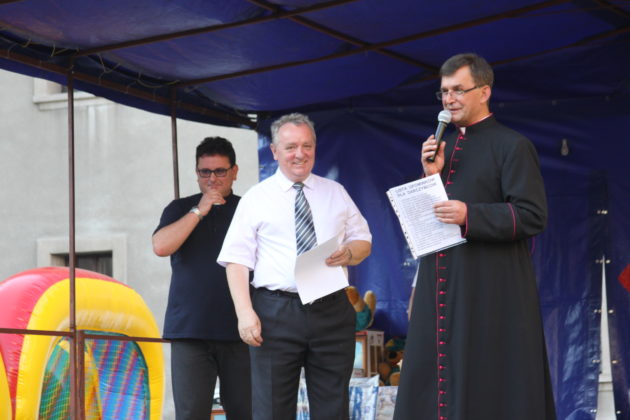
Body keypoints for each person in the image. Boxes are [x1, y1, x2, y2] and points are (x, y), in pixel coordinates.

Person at [394, 53, 556, 420]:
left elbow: (532, 215)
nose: (449, 100)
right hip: (442, 284)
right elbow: (434, 217)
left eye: (458, 90)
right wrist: (430, 176)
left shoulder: (512, 145)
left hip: (490, 288)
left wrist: (471, 215)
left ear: (484, 92)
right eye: (444, 92)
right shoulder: (443, 147)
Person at [217, 113, 372, 420]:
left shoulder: (335, 192)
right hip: (276, 313)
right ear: (274, 151)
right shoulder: (256, 198)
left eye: (306, 146)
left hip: (331, 310)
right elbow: (236, 260)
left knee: (333, 408)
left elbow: (363, 240)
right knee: (272, 410)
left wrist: (349, 252)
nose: (299, 154)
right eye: (290, 147)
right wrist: (245, 313)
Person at [152, 137, 251, 420]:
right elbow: (160, 246)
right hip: (190, 330)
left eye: (220, 171)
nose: (212, 178)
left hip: (241, 329)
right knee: (191, 413)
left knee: (248, 412)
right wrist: (199, 210)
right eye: (205, 172)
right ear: (197, 173)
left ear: (234, 171)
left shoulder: (248, 208)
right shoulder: (180, 208)